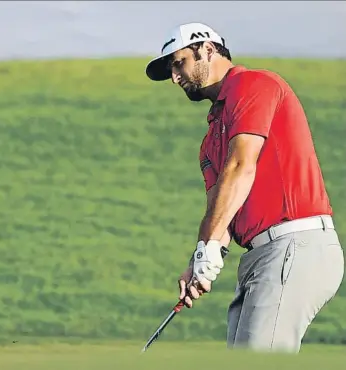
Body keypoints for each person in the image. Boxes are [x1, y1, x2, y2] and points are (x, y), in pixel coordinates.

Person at [144, 22, 344, 353]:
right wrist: (200, 259)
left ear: (207, 48)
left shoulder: (253, 84)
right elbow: (220, 213)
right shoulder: (210, 142)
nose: (175, 78)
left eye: (179, 63)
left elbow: (241, 166)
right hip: (260, 257)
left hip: (294, 245)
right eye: (170, 71)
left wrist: (206, 248)